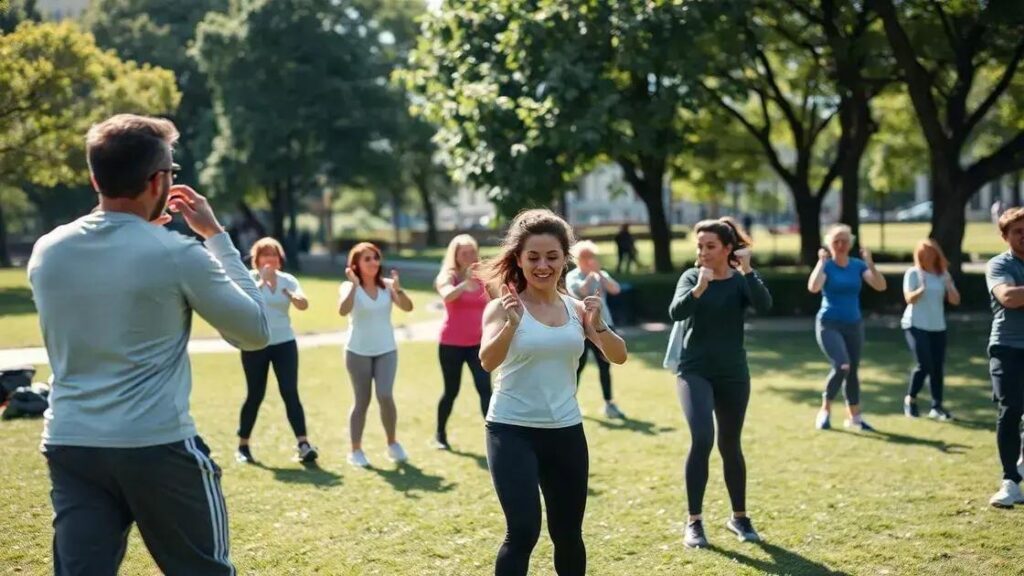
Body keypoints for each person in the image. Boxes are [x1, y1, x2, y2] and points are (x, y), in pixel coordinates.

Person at [27, 114, 270, 575]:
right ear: (159, 181)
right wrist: (217, 237)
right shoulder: (176, 253)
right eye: (172, 174)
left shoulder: (47, 250)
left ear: (96, 177)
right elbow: (254, 331)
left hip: (70, 443)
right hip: (156, 445)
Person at [479, 209, 627, 576]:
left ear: (565, 259)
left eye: (551, 256)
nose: (542, 265)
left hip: (565, 431)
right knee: (524, 531)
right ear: (519, 259)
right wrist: (511, 327)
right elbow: (487, 361)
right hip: (511, 430)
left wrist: (600, 325)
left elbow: (619, 356)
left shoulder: (577, 310)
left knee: (568, 534)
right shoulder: (503, 308)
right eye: (533, 257)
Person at [668, 218, 771, 549]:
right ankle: (694, 522)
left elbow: (765, 305)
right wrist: (699, 288)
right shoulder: (691, 277)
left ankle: (739, 517)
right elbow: (675, 312)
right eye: (699, 246)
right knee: (702, 438)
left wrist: (749, 270)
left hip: (733, 373)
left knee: (730, 444)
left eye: (710, 246)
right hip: (694, 370)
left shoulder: (741, 281)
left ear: (728, 249)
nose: (703, 252)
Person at [235, 237, 318, 464]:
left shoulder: (287, 280)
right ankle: (243, 445)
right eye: (265, 254)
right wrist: (262, 283)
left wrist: (292, 296)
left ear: (279, 259)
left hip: (284, 343)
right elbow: (242, 304)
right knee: (255, 394)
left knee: (290, 392)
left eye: (274, 254)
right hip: (255, 344)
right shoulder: (249, 279)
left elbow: (303, 303)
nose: (270, 259)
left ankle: (303, 444)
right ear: (257, 259)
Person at [338, 242, 414, 467]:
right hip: (357, 351)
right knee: (362, 401)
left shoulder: (388, 286)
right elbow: (342, 309)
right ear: (356, 264)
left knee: (385, 395)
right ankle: (356, 450)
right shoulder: (347, 286)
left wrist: (398, 289)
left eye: (375, 258)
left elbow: (408, 307)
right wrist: (353, 286)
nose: (373, 262)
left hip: (386, 350)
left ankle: (392, 443)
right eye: (367, 259)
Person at [807, 224, 887, 431]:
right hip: (829, 323)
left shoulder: (858, 265)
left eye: (845, 241)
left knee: (852, 371)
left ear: (850, 243)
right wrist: (820, 263)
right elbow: (814, 287)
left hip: (854, 324)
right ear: (829, 245)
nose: (841, 245)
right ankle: (824, 410)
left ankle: (855, 417)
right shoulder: (828, 266)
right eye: (836, 241)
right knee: (842, 365)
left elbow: (880, 286)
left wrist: (871, 264)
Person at [434, 234, 492, 450]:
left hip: (479, 344)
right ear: (455, 255)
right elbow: (447, 295)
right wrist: (463, 285)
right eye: (464, 253)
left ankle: (495, 438)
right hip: (451, 344)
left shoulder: (483, 277)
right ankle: (440, 433)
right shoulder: (448, 275)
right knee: (451, 391)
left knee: (485, 389)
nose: (469, 256)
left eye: (472, 252)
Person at [985, 207, 1024, 508]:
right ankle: (1010, 481)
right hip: (1007, 348)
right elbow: (1009, 298)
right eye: (1017, 232)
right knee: (1010, 410)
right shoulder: (999, 264)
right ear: (1005, 236)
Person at [901, 239, 961, 421]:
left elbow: (955, 300)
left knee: (937, 367)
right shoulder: (913, 273)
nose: (928, 256)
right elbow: (909, 298)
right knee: (924, 364)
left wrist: (949, 285)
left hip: (937, 325)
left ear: (936, 255)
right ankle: (910, 400)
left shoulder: (942, 275)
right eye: (924, 253)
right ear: (919, 256)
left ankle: (937, 406)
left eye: (931, 253)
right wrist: (921, 289)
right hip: (915, 324)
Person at [567, 240, 625, 419]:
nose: (588, 260)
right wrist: (591, 277)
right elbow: (580, 293)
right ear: (577, 258)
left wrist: (600, 274)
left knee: (605, 365)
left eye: (591, 256)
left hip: (603, 324)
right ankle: (570, 403)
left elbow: (615, 289)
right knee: (578, 366)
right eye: (584, 256)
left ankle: (609, 404)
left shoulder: (601, 274)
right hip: (581, 327)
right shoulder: (573, 276)